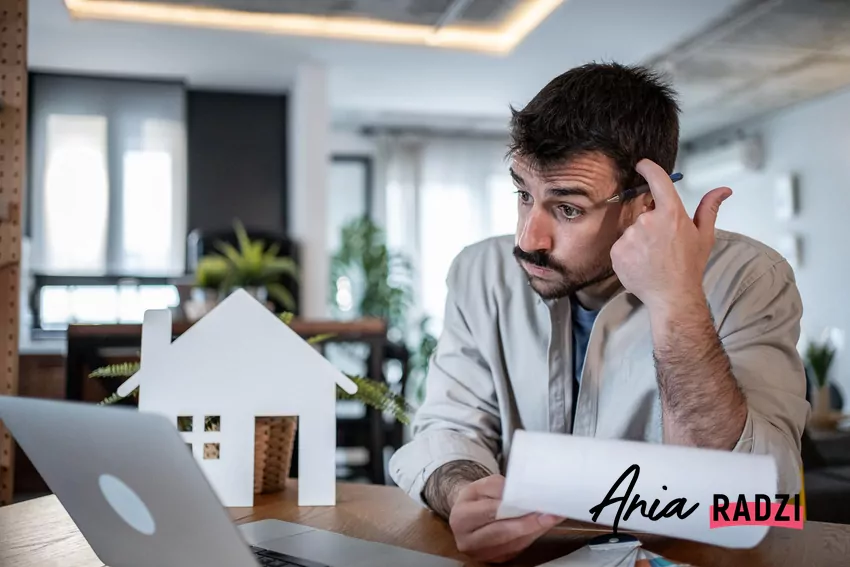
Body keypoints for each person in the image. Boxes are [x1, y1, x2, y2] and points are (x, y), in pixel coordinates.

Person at [388, 62, 810, 564]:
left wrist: (677, 299)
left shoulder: (750, 278)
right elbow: (447, 428)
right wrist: (462, 493)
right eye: (524, 195)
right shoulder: (480, 272)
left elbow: (759, 502)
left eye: (567, 209)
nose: (528, 239)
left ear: (647, 203)